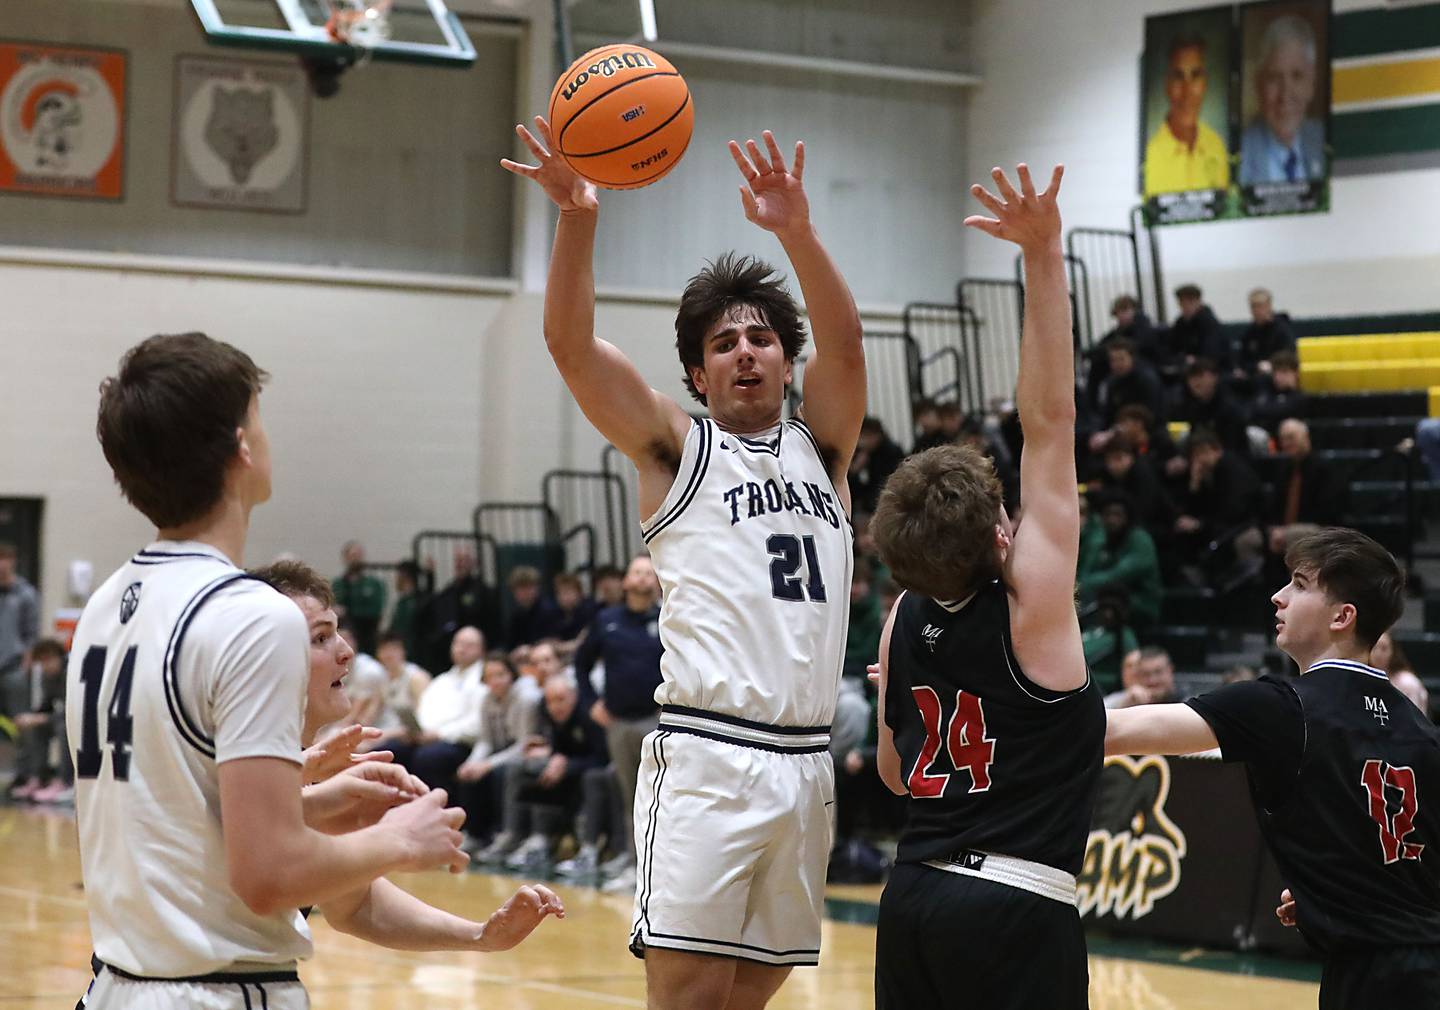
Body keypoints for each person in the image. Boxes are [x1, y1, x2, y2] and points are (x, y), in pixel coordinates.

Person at [503, 121, 864, 1005]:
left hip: (807, 759)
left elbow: (847, 349)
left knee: (752, 995)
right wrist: (578, 219)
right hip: (711, 752)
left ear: (786, 359)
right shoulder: (676, 448)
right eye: (723, 343)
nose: (746, 350)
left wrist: (798, 233)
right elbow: (572, 350)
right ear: (699, 376)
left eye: (762, 338)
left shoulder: (826, 450)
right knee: (689, 999)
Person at [70, 333, 473, 1009]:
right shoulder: (253, 614)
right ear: (241, 447)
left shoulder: (104, 606)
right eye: (259, 415)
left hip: (116, 986)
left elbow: (171, 816)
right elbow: (270, 875)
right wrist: (397, 841)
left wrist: (313, 801)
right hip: (215, 992)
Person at [870, 164, 1104, 1010]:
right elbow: (1050, 420)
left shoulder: (902, 616)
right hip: (1012, 901)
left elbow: (897, 777)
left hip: (911, 899)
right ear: (1000, 532)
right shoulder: (1032, 605)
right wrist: (1044, 255)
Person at [1107, 528, 1440, 1009]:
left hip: (1373, 979)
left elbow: (1115, 733)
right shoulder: (1420, 726)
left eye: (1300, 585)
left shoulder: (1281, 706)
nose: (1278, 597)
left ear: (1343, 617)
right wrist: (1334, 895)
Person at [249, 560, 565, 960]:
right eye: (321, 638)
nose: (346, 652)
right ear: (262, 656)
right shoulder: (220, 757)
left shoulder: (302, 772)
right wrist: (395, 839)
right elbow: (255, 855)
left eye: (338, 634)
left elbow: (356, 904)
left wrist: (480, 937)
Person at [573, 553, 665, 885]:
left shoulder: (668, 619)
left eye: (648, 573)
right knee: (631, 795)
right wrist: (590, 702)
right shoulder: (606, 620)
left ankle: (657, 868)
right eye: (636, 572)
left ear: (657, 581)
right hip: (618, 723)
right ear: (626, 581)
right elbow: (581, 665)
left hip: (657, 722)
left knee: (659, 795)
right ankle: (635, 864)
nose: (641, 578)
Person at [1239, 14, 1325, 186]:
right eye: (1274, 78)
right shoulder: (1239, 154)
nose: (1285, 94)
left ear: (1312, 83)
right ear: (1259, 85)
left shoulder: (1323, 140)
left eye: (1297, 76)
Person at [1145, 33, 1230, 196]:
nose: (1187, 90)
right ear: (1166, 84)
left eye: (1196, 75)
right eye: (1178, 76)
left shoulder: (1217, 147)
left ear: (1205, 83)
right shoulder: (1150, 155)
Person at [8, 638, 72, 803]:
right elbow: (46, 706)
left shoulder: (71, 672)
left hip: (75, 721)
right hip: (59, 717)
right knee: (34, 728)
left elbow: (72, 710)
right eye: (42, 661)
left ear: (60, 657)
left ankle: (65, 782)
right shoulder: (46, 676)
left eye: (49, 659)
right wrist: (31, 717)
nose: (46, 665)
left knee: (63, 727)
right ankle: (37, 778)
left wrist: (40, 718)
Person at [0, 540, 40, 719]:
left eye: (5, 559)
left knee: (19, 721)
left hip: (14, 668)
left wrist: (26, 664)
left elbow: (32, 632)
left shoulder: (25, 594)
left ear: (12, 561)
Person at [333, 540, 386, 656]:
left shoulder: (373, 583)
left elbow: (376, 610)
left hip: (367, 633)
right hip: (345, 632)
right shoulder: (339, 584)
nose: (356, 559)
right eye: (352, 555)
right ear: (345, 558)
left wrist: (349, 611)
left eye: (358, 555)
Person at [1372, 630, 1429, 716]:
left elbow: (1414, 719)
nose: (1378, 654)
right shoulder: (1364, 678)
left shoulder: (1408, 683)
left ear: (1393, 651)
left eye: (1384, 648)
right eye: (1374, 647)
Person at [1103, 646, 1177, 709]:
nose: (1152, 680)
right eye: (1146, 674)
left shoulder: (1186, 699)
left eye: (1158, 672)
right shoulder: (1127, 700)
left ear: (1170, 670)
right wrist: (1126, 705)